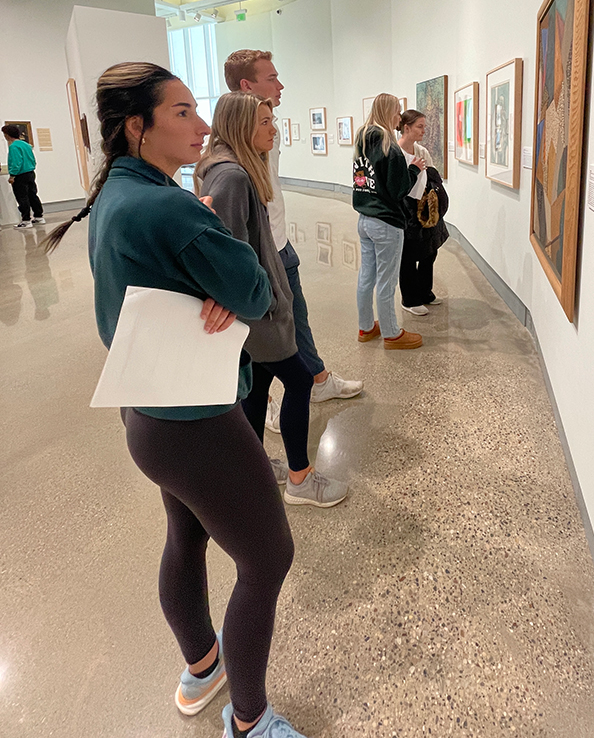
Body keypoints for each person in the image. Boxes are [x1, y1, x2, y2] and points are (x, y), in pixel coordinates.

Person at [44, 63, 307, 738]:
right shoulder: (169, 204)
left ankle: (202, 665)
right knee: (268, 556)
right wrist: (220, 262)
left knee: (186, 535)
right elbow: (254, 290)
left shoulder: (116, 195)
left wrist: (208, 272)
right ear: (139, 126)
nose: (199, 125)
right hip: (196, 420)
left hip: (149, 413)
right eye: (182, 112)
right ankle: (249, 719)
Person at [196, 91, 348, 508]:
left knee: (258, 386)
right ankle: (300, 479)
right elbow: (229, 257)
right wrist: (264, 302)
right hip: (256, 314)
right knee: (299, 381)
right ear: (242, 126)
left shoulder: (235, 170)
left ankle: (256, 468)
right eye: (264, 121)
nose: (274, 128)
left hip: (254, 312)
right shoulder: (233, 177)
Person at [224, 50, 362, 432]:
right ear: (246, 86)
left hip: (280, 245)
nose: (280, 85)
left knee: (296, 318)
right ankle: (262, 397)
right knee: (264, 330)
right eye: (272, 78)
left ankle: (316, 379)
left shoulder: (265, 130)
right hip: (264, 254)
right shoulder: (237, 151)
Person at [352, 94, 424, 350]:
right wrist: (414, 169)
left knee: (366, 276)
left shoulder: (362, 141)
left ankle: (366, 327)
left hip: (364, 219)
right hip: (385, 223)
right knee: (386, 280)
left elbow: (363, 181)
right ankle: (392, 333)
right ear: (387, 112)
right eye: (397, 111)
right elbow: (398, 190)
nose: (399, 117)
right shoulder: (389, 146)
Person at [397, 109, 446, 314]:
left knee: (429, 250)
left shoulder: (422, 151)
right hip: (405, 211)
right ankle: (409, 299)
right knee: (408, 255)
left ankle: (425, 292)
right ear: (406, 128)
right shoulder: (395, 153)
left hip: (425, 209)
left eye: (424, 126)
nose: (423, 130)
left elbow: (431, 179)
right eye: (420, 126)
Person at [2, 124, 45, 229]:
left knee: (22, 197)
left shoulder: (13, 146)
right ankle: (39, 216)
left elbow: (16, 162)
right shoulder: (26, 145)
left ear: (7, 135)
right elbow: (33, 159)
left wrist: (12, 175)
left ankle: (26, 220)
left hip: (20, 175)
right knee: (32, 195)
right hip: (30, 173)